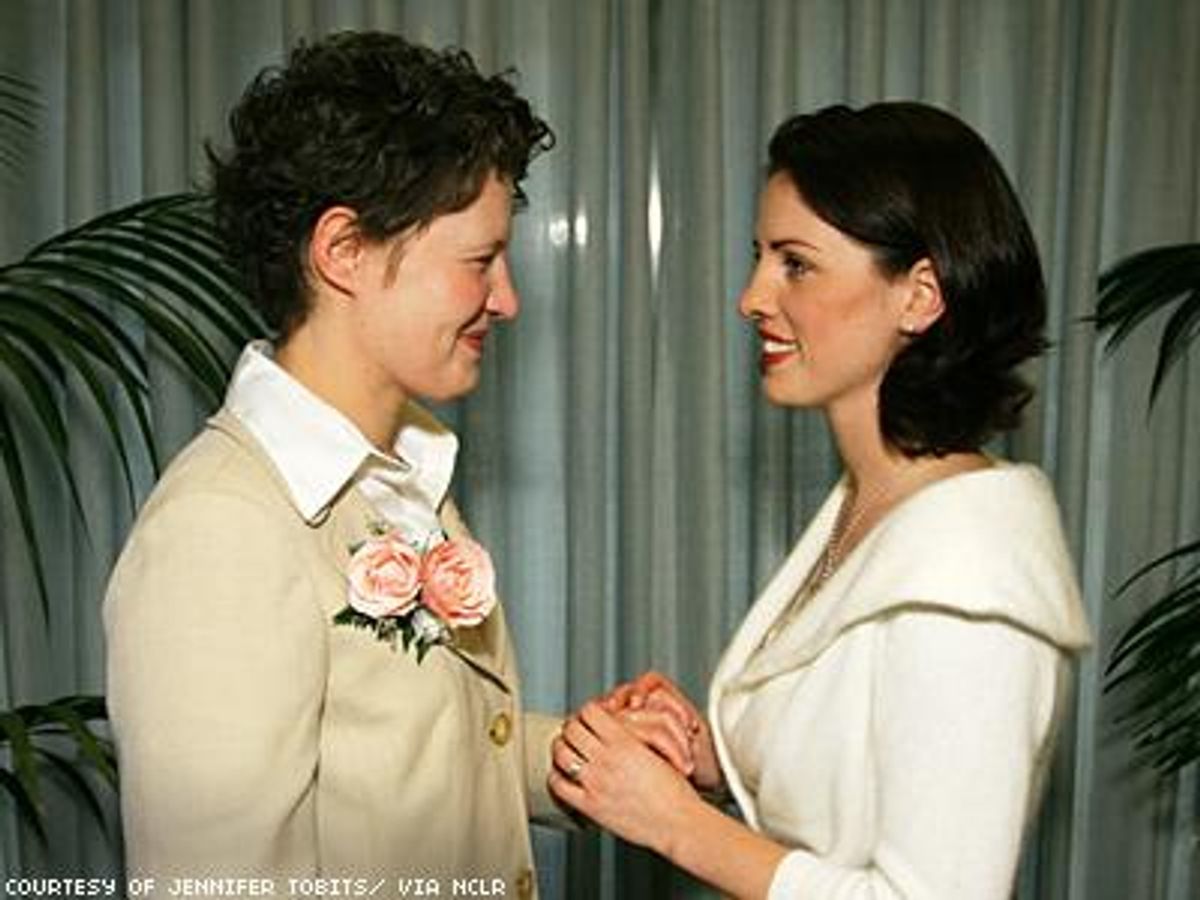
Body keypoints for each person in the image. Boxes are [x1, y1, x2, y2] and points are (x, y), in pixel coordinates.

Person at [547, 102, 1092, 899]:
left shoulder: (971, 573)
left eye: (795, 264)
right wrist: (708, 755)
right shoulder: (873, 503)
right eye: (759, 257)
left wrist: (674, 822)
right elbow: (852, 783)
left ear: (920, 296)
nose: (751, 297)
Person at [104, 31, 559, 896]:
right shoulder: (221, 532)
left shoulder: (399, 473)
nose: (505, 300)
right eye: (479, 261)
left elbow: (405, 759)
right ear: (344, 251)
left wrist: (581, 757)